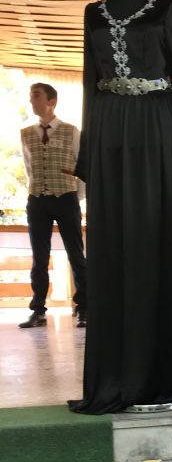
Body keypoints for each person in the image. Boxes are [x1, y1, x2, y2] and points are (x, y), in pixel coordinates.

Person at [68, 0, 172, 414]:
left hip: (161, 127)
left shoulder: (168, 9)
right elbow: (89, 81)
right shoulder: (93, 14)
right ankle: (116, 375)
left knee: (161, 235)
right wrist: (88, 154)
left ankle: (167, 374)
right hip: (109, 128)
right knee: (115, 243)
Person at [19, 82, 87, 329]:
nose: (31, 100)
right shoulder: (26, 134)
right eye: (31, 95)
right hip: (37, 200)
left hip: (66, 197)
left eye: (36, 95)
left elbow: (81, 166)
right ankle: (38, 310)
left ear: (51, 101)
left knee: (76, 254)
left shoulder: (71, 131)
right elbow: (29, 168)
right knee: (39, 257)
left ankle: (84, 308)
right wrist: (37, 190)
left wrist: (75, 197)